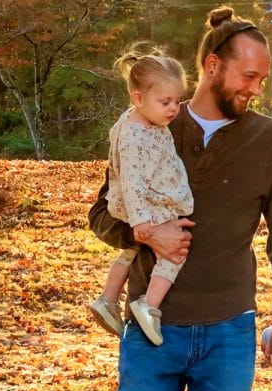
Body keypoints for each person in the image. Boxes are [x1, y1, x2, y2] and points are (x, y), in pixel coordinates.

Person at [87, 7, 272, 391]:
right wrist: (145, 235)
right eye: (248, 76)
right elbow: (102, 215)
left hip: (228, 332)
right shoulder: (149, 125)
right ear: (213, 65)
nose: (256, 88)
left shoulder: (268, 141)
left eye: (263, 79)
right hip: (152, 326)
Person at [88, 44, 193, 346]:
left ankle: (108, 299)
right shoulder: (138, 135)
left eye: (177, 100)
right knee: (175, 251)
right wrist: (142, 221)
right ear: (139, 98)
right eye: (165, 101)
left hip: (129, 205)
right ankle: (149, 305)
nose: (173, 108)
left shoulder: (136, 119)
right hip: (141, 206)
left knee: (130, 251)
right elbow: (133, 179)